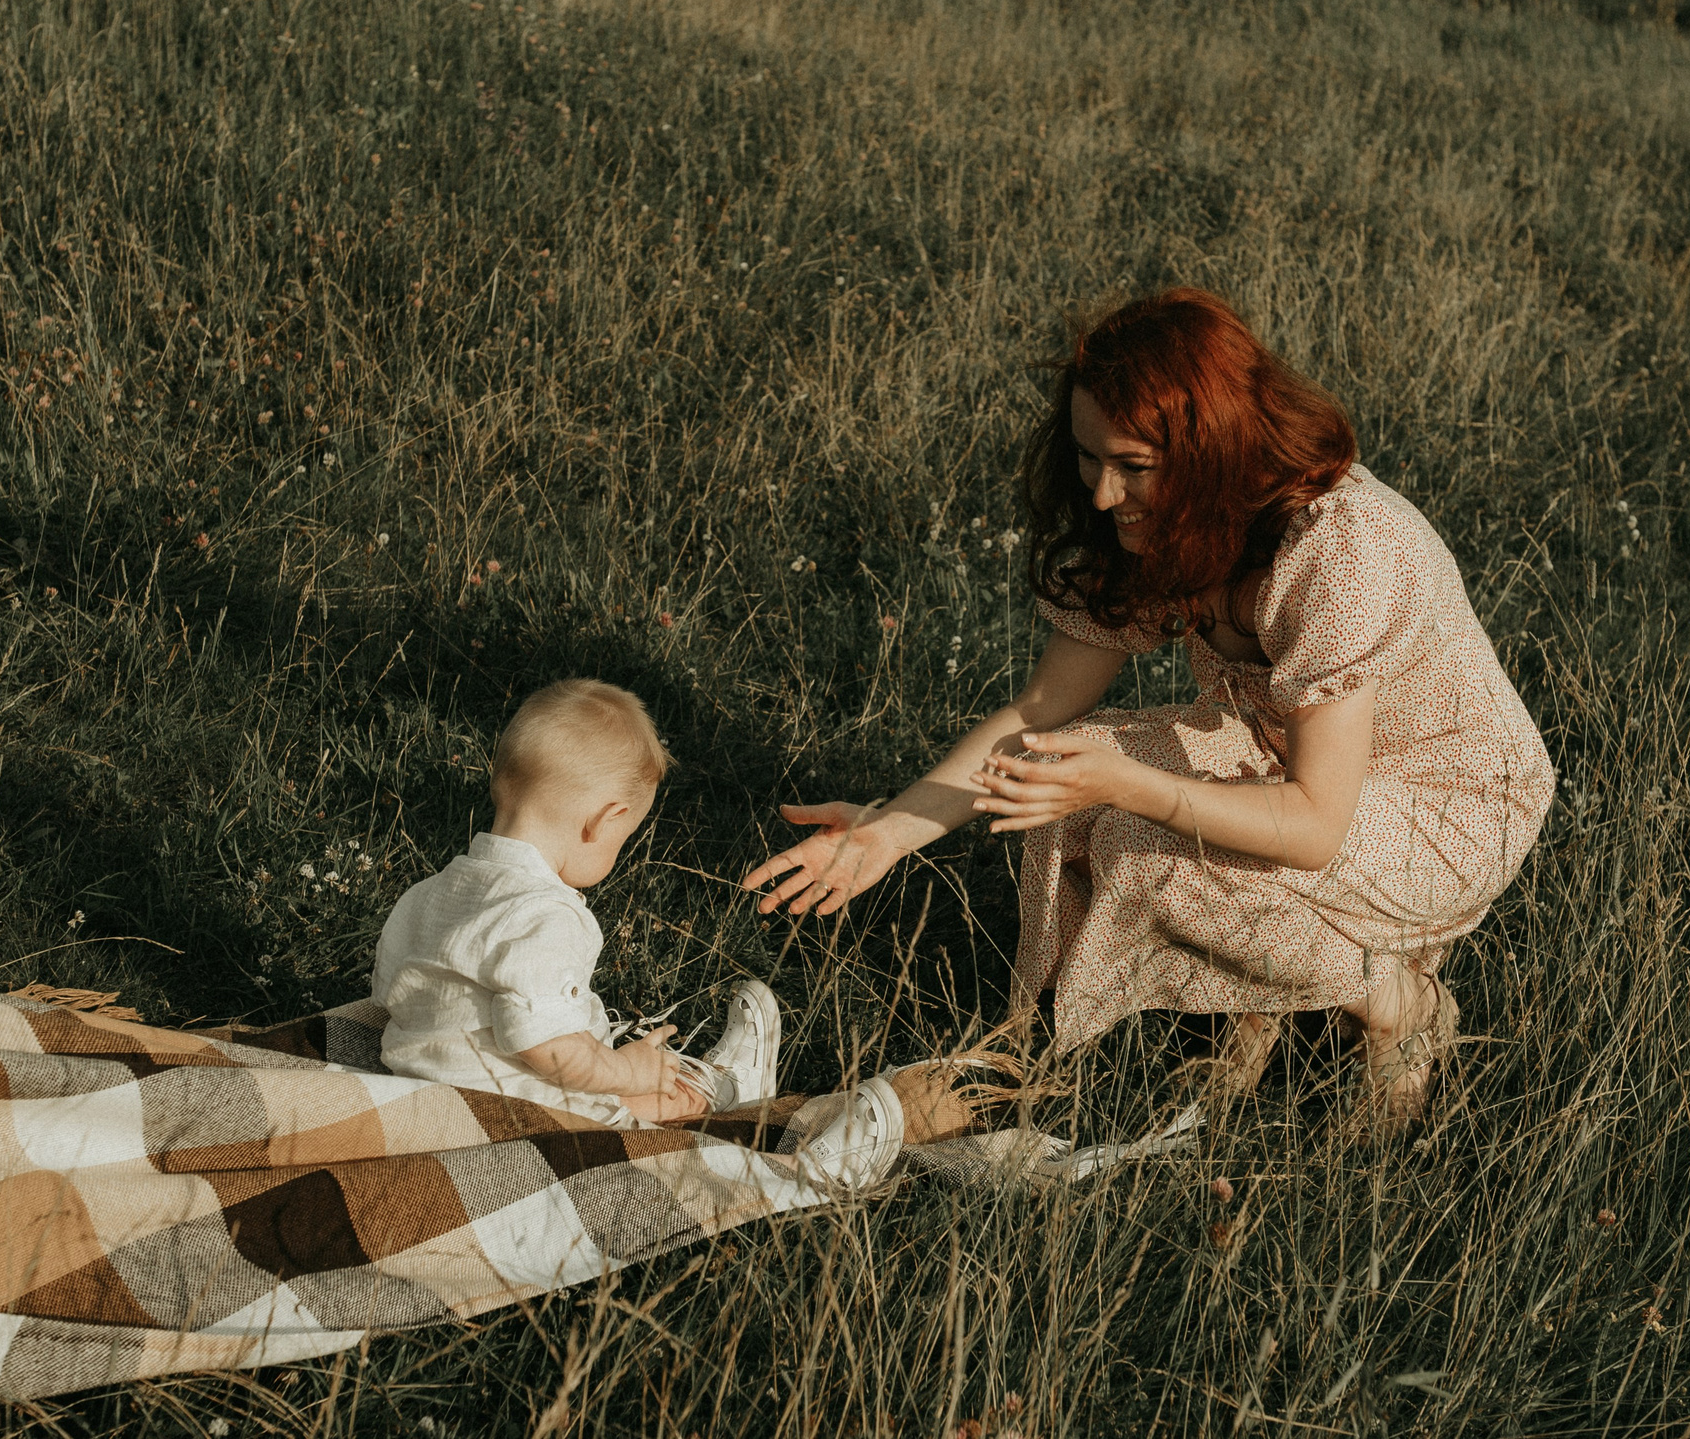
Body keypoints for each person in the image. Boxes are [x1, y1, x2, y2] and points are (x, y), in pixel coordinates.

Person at [743, 290, 1553, 1131]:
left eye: (1134, 465)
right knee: (1067, 766)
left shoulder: (1337, 548)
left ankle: (1393, 998)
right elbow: (1040, 707)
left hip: (1451, 802)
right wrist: (888, 831)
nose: (1101, 494)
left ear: (1214, 454)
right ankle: (1056, 1052)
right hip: (1294, 759)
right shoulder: (1156, 523)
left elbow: (1315, 823)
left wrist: (1130, 785)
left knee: (1137, 841)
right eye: (1091, 458)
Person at [373, 678, 781, 1127]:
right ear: (605, 821)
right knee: (626, 1104)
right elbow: (548, 1048)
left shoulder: (430, 892)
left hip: (417, 1099)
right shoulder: (546, 916)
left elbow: (388, 994)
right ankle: (721, 1094)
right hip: (512, 1116)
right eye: (623, 841)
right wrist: (626, 1071)